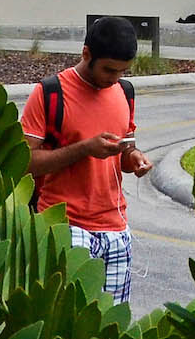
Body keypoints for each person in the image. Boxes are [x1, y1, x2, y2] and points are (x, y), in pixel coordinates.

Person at [22, 17, 153, 303]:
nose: (115, 78)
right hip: (65, 225)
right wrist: (84, 149)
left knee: (109, 323)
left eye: (123, 71)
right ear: (86, 54)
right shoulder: (50, 93)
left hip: (116, 228)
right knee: (67, 322)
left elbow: (123, 153)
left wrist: (134, 159)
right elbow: (24, 162)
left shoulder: (124, 92)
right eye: (108, 69)